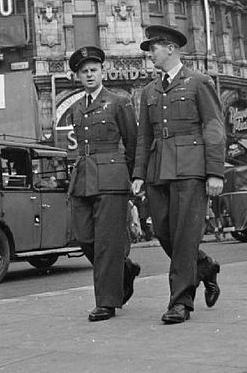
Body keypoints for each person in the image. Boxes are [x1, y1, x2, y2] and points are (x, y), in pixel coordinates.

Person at [131, 25, 226, 324]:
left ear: (171, 48)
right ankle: (205, 267)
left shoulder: (199, 82)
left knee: (185, 236)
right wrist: (138, 174)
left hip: (191, 168)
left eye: (154, 48)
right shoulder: (149, 90)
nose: (150, 54)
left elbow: (214, 128)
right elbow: (144, 138)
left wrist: (215, 172)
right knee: (164, 232)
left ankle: (181, 302)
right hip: (159, 170)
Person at [67, 45, 141, 322]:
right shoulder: (76, 109)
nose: (89, 75)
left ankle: (107, 303)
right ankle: (124, 269)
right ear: (77, 76)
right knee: (85, 237)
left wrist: (135, 177)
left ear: (102, 72)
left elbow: (132, 143)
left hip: (112, 177)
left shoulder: (118, 101)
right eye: (83, 72)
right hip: (84, 178)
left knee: (107, 243)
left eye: (93, 70)